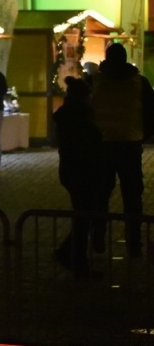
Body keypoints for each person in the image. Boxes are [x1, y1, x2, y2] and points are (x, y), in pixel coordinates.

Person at [89, 42, 154, 258]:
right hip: (130, 144)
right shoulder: (139, 82)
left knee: (100, 195)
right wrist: (142, 136)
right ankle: (134, 243)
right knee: (132, 196)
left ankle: (98, 237)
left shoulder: (95, 81)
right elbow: (151, 113)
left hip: (103, 146)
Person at [55, 77, 109, 276]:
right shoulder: (82, 118)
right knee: (84, 217)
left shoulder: (67, 116)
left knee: (82, 215)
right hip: (84, 173)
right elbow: (90, 148)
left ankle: (71, 255)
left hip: (72, 172)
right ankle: (76, 260)